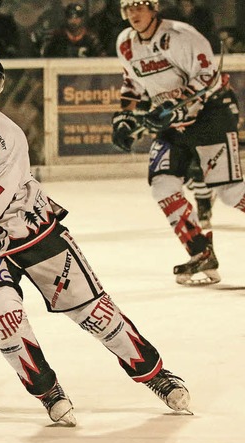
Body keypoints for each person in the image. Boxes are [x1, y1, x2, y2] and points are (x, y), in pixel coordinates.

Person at [0, 50, 191, 426]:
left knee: (94, 313)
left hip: (31, 231)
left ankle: (154, 374)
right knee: (3, 323)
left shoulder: (4, 139)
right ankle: (49, 392)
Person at [111, 0, 244, 285]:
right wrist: (123, 116)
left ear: (153, 8)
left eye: (139, 7)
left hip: (212, 114)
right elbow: (132, 81)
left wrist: (177, 105)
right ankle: (200, 252)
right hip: (174, 120)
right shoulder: (125, 43)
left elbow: (208, 77)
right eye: (128, 9)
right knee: (162, 185)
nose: (133, 14)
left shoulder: (182, 36)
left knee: (231, 192)